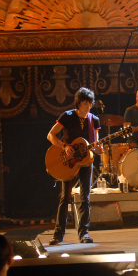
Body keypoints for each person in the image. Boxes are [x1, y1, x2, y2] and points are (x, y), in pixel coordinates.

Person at [47, 87, 102, 244]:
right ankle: (58, 235)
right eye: (85, 103)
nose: (88, 107)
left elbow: (96, 144)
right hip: (68, 161)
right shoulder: (67, 116)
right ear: (79, 103)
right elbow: (50, 135)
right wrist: (64, 146)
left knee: (85, 197)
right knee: (65, 197)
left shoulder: (94, 120)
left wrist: (99, 148)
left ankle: (84, 234)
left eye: (90, 103)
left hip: (86, 161)